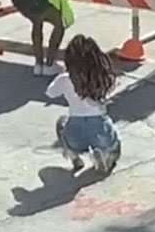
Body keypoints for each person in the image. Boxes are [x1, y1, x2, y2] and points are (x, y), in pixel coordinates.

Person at [46, 35, 121, 175]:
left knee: (61, 122)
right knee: (114, 135)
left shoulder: (65, 79)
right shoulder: (103, 77)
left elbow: (50, 93)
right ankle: (105, 154)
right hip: (100, 129)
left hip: (74, 132)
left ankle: (74, 156)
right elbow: (109, 95)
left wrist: (64, 78)